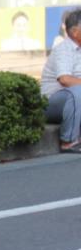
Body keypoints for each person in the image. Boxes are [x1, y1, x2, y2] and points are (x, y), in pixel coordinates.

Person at [41, 8, 81, 154]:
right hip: (52, 103)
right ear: (75, 32)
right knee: (78, 91)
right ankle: (68, 141)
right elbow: (64, 79)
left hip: (75, 103)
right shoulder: (63, 49)